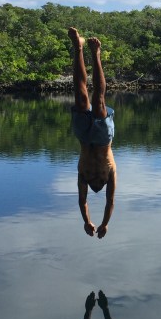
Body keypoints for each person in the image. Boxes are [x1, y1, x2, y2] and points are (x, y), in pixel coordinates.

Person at [68, 27, 117, 239]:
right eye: (99, 185)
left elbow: (82, 201)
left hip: (84, 137)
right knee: (98, 101)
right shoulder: (111, 176)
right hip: (103, 139)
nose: (96, 185)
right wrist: (105, 224)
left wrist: (87, 221)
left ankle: (78, 47)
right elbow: (111, 201)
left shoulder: (83, 177)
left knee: (80, 95)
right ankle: (96, 55)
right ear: (102, 184)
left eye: (93, 186)